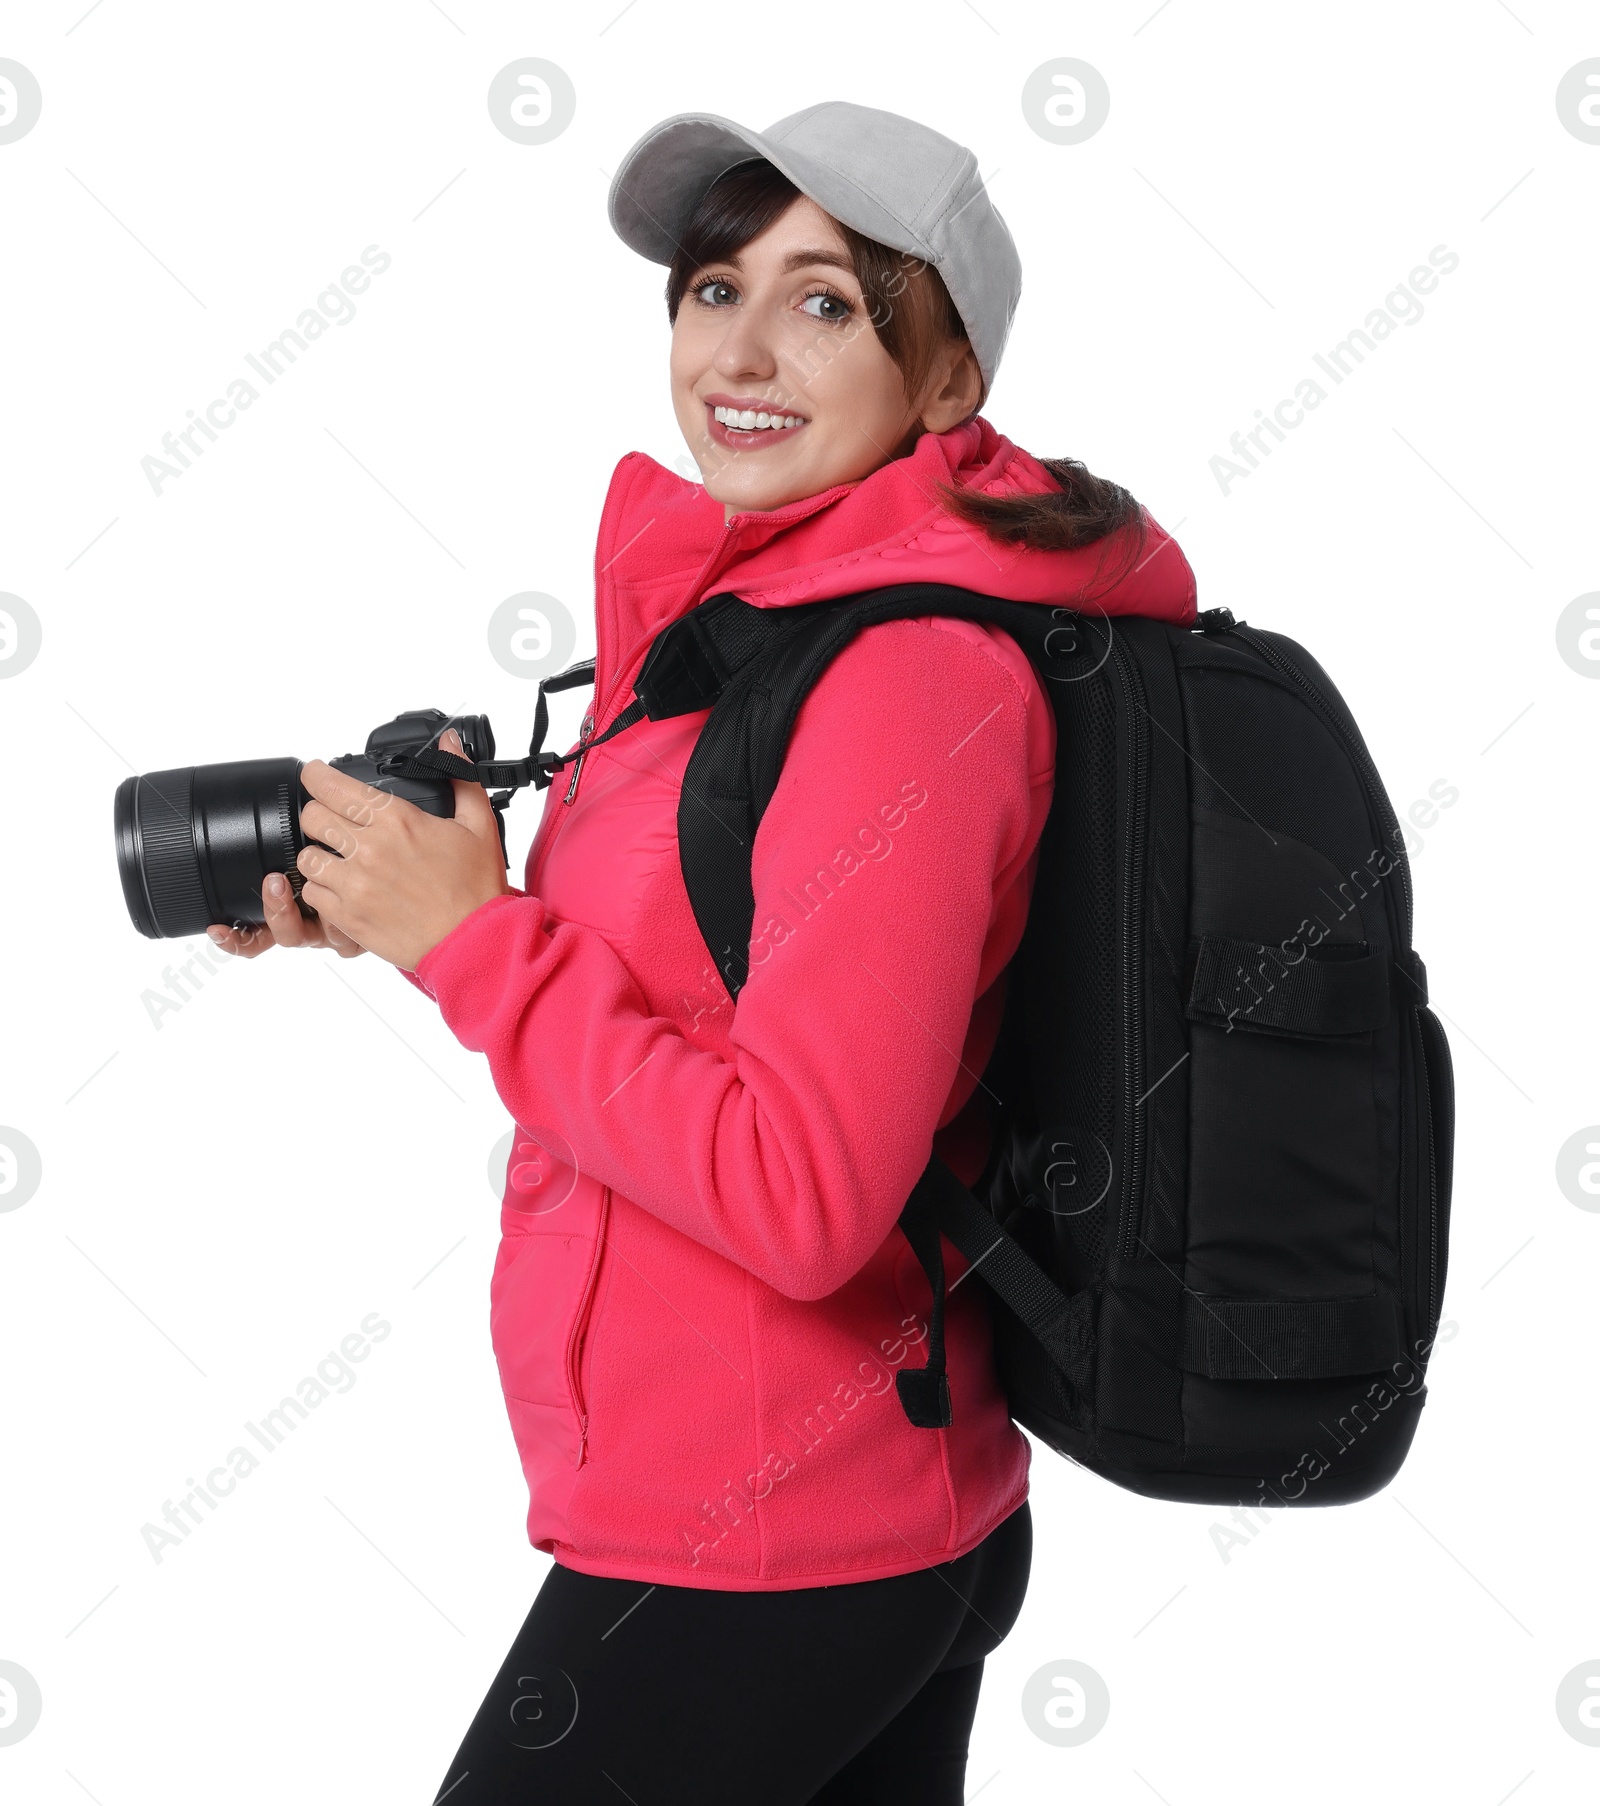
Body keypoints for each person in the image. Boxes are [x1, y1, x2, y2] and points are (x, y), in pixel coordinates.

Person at [207, 102, 1196, 1804]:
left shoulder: (907, 680)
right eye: (712, 284)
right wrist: (410, 904)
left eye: (826, 303)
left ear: (950, 381)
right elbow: (684, 983)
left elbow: (802, 1190)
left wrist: (481, 952)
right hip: (816, 1515)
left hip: (772, 1545)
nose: (741, 347)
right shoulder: (755, 628)